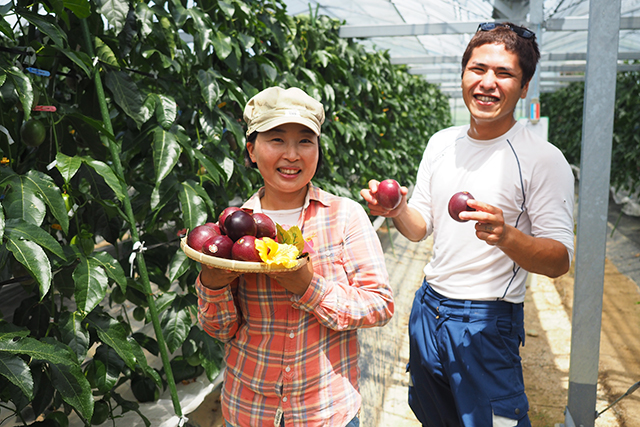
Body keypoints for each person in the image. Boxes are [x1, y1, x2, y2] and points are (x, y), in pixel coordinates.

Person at [361, 22, 575, 427]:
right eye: (478, 69)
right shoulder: (441, 143)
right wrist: (397, 210)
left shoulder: (541, 159)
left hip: (486, 322)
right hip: (428, 308)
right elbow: (421, 227)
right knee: (433, 415)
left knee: (491, 422)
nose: (487, 83)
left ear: (524, 86)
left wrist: (507, 236)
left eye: (505, 73)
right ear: (463, 74)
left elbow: (558, 260)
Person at [196, 86, 394, 427]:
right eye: (276, 140)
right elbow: (219, 329)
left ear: (318, 148)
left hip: (327, 412)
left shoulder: (344, 216)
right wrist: (212, 282)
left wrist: (309, 287)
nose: (292, 155)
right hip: (248, 412)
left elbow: (380, 305)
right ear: (251, 150)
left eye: (305, 141)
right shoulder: (231, 230)